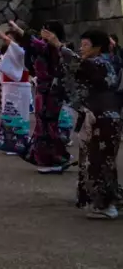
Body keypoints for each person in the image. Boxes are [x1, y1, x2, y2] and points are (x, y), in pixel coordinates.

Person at [62, 30, 121, 219]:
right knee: (105, 161)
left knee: (97, 160)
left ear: (97, 47)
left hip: (98, 116)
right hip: (110, 115)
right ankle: (107, 201)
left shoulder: (93, 63)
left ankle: (104, 205)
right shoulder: (110, 61)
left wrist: (57, 45)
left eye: (85, 44)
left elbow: (74, 66)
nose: (81, 48)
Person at [15, 20, 74, 174]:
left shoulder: (55, 48)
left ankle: (52, 158)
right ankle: (50, 158)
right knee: (44, 123)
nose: (43, 33)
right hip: (43, 89)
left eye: (47, 30)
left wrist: (20, 31)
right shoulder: (44, 47)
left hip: (52, 90)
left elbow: (35, 43)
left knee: (48, 124)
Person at [0, 29, 31, 156]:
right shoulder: (9, 52)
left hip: (20, 87)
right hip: (9, 87)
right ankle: (8, 143)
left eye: (10, 38)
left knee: (18, 116)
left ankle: (19, 143)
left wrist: (4, 36)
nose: (6, 40)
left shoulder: (22, 51)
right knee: (8, 115)